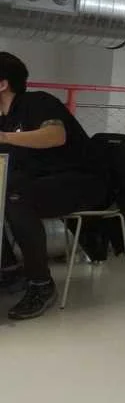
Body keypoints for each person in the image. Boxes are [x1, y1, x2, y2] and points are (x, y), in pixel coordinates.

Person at [0, 52, 106, 320]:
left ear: (3, 84)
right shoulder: (4, 117)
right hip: (41, 183)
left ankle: (41, 284)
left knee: (14, 195)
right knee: (7, 190)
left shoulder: (38, 102)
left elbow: (55, 135)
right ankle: (9, 271)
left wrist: (5, 137)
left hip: (82, 181)